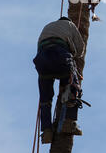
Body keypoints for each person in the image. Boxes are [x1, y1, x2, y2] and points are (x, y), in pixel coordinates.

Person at [33, 16, 85, 144]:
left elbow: (40, 46)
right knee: (73, 87)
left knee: (45, 99)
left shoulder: (47, 26)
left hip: (42, 61)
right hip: (60, 56)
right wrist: (74, 55)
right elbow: (80, 49)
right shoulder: (70, 25)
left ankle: (46, 132)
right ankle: (68, 123)